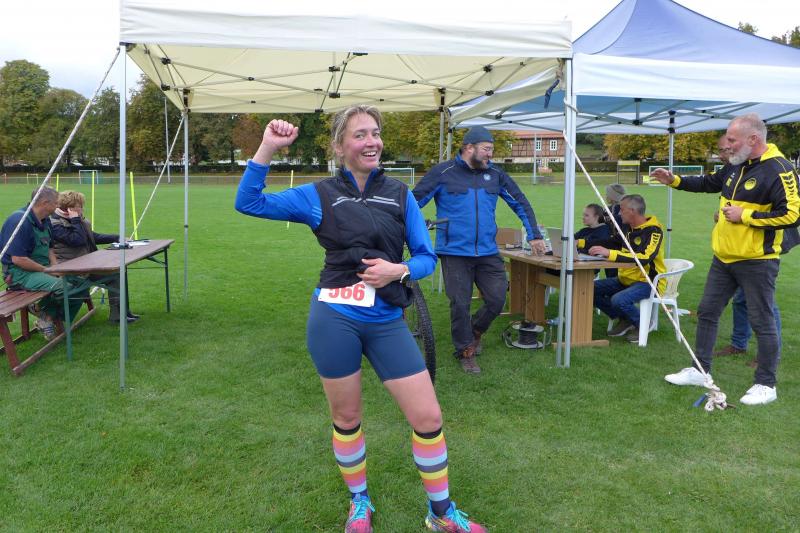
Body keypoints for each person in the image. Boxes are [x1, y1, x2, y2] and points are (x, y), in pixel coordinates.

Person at [235, 106, 487, 533]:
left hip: (386, 318)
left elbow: (426, 257)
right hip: (334, 317)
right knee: (347, 418)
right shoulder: (318, 195)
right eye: (359, 135)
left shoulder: (400, 194)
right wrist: (268, 147)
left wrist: (397, 270)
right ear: (339, 147)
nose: (372, 142)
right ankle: (359, 502)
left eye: (375, 133)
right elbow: (249, 202)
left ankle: (441, 513)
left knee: (428, 417)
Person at [651, 113, 800, 406]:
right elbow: (710, 182)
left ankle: (766, 384)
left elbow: (793, 215)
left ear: (753, 139)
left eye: (732, 139)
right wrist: (674, 180)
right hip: (724, 257)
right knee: (707, 311)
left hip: (757, 260)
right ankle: (700, 370)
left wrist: (745, 215)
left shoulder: (779, 169)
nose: (727, 145)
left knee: (762, 320)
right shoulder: (737, 163)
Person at [413, 126, 545, 374]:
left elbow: (521, 202)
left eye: (491, 150)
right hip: (454, 252)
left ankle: (475, 331)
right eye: (486, 149)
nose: (490, 155)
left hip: (487, 251)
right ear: (468, 148)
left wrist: (535, 235)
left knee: (497, 299)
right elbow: (413, 203)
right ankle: (465, 351)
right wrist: (406, 230)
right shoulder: (443, 173)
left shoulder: (496, 174)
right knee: (460, 303)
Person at [711, 135, 784, 363]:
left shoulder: (773, 168)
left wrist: (743, 215)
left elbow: (786, 214)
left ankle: (769, 356)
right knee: (741, 301)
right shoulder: (735, 168)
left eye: (726, 149)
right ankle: (739, 344)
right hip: (736, 251)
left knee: (764, 306)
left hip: (760, 252)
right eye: (721, 150)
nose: (723, 155)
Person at [0, 187, 88, 339]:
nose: (58, 206)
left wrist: (55, 267)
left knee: (82, 284)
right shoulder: (19, 221)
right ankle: (47, 317)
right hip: (19, 273)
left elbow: (50, 248)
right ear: (45, 203)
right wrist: (47, 271)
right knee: (65, 287)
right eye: (55, 203)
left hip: (42, 269)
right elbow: (18, 259)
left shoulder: (46, 220)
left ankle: (47, 317)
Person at [49, 190, 139, 323]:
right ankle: (118, 316)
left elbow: (92, 236)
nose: (82, 209)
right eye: (80, 206)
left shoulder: (76, 220)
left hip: (86, 266)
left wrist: (117, 237)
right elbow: (77, 240)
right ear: (70, 208)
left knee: (119, 272)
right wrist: (75, 220)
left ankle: (122, 313)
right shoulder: (55, 224)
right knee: (116, 275)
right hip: (71, 270)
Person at [588, 194, 666, 343]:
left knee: (619, 300)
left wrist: (610, 254)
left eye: (621, 209)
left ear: (632, 211)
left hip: (649, 282)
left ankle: (643, 323)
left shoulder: (654, 230)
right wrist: (580, 243)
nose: (618, 213)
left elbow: (644, 257)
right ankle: (626, 318)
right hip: (626, 279)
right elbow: (610, 242)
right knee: (588, 288)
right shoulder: (627, 229)